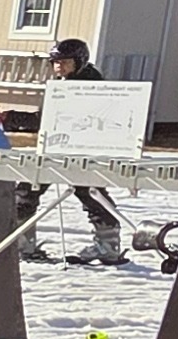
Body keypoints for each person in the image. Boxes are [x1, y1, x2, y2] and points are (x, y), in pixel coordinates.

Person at [8, 33, 127, 267]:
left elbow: (54, 119)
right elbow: (47, 119)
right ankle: (21, 243)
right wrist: (11, 119)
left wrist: (14, 119)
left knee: (90, 192)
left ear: (79, 61)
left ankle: (108, 245)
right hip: (57, 147)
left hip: (83, 150)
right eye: (55, 62)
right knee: (29, 189)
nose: (58, 67)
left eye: (64, 62)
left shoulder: (91, 87)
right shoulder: (62, 85)